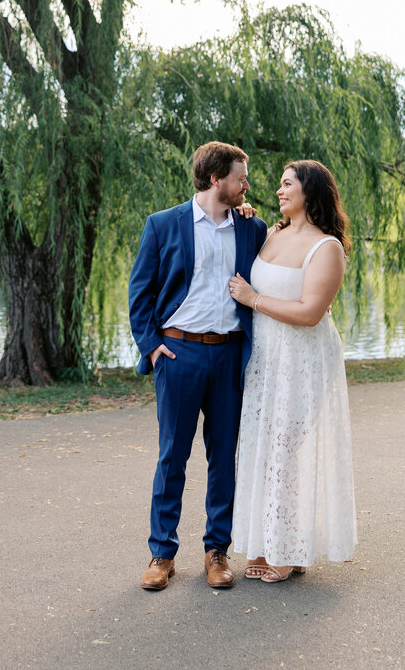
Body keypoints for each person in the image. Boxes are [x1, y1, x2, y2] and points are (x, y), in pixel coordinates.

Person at [129, 141, 267, 591]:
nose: (247, 186)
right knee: (173, 456)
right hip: (178, 354)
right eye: (240, 178)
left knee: (223, 456)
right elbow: (140, 294)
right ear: (215, 180)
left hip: (228, 355)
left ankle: (216, 552)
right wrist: (152, 348)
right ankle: (161, 554)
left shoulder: (252, 228)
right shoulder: (163, 225)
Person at [228, 159, 357, 582]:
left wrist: (252, 299)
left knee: (288, 451)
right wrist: (241, 213)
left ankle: (288, 552)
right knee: (263, 450)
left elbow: (310, 313)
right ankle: (269, 543)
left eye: (287, 185)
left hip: (302, 361)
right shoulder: (270, 234)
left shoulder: (327, 248)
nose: (278, 191)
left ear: (309, 191)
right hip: (265, 359)